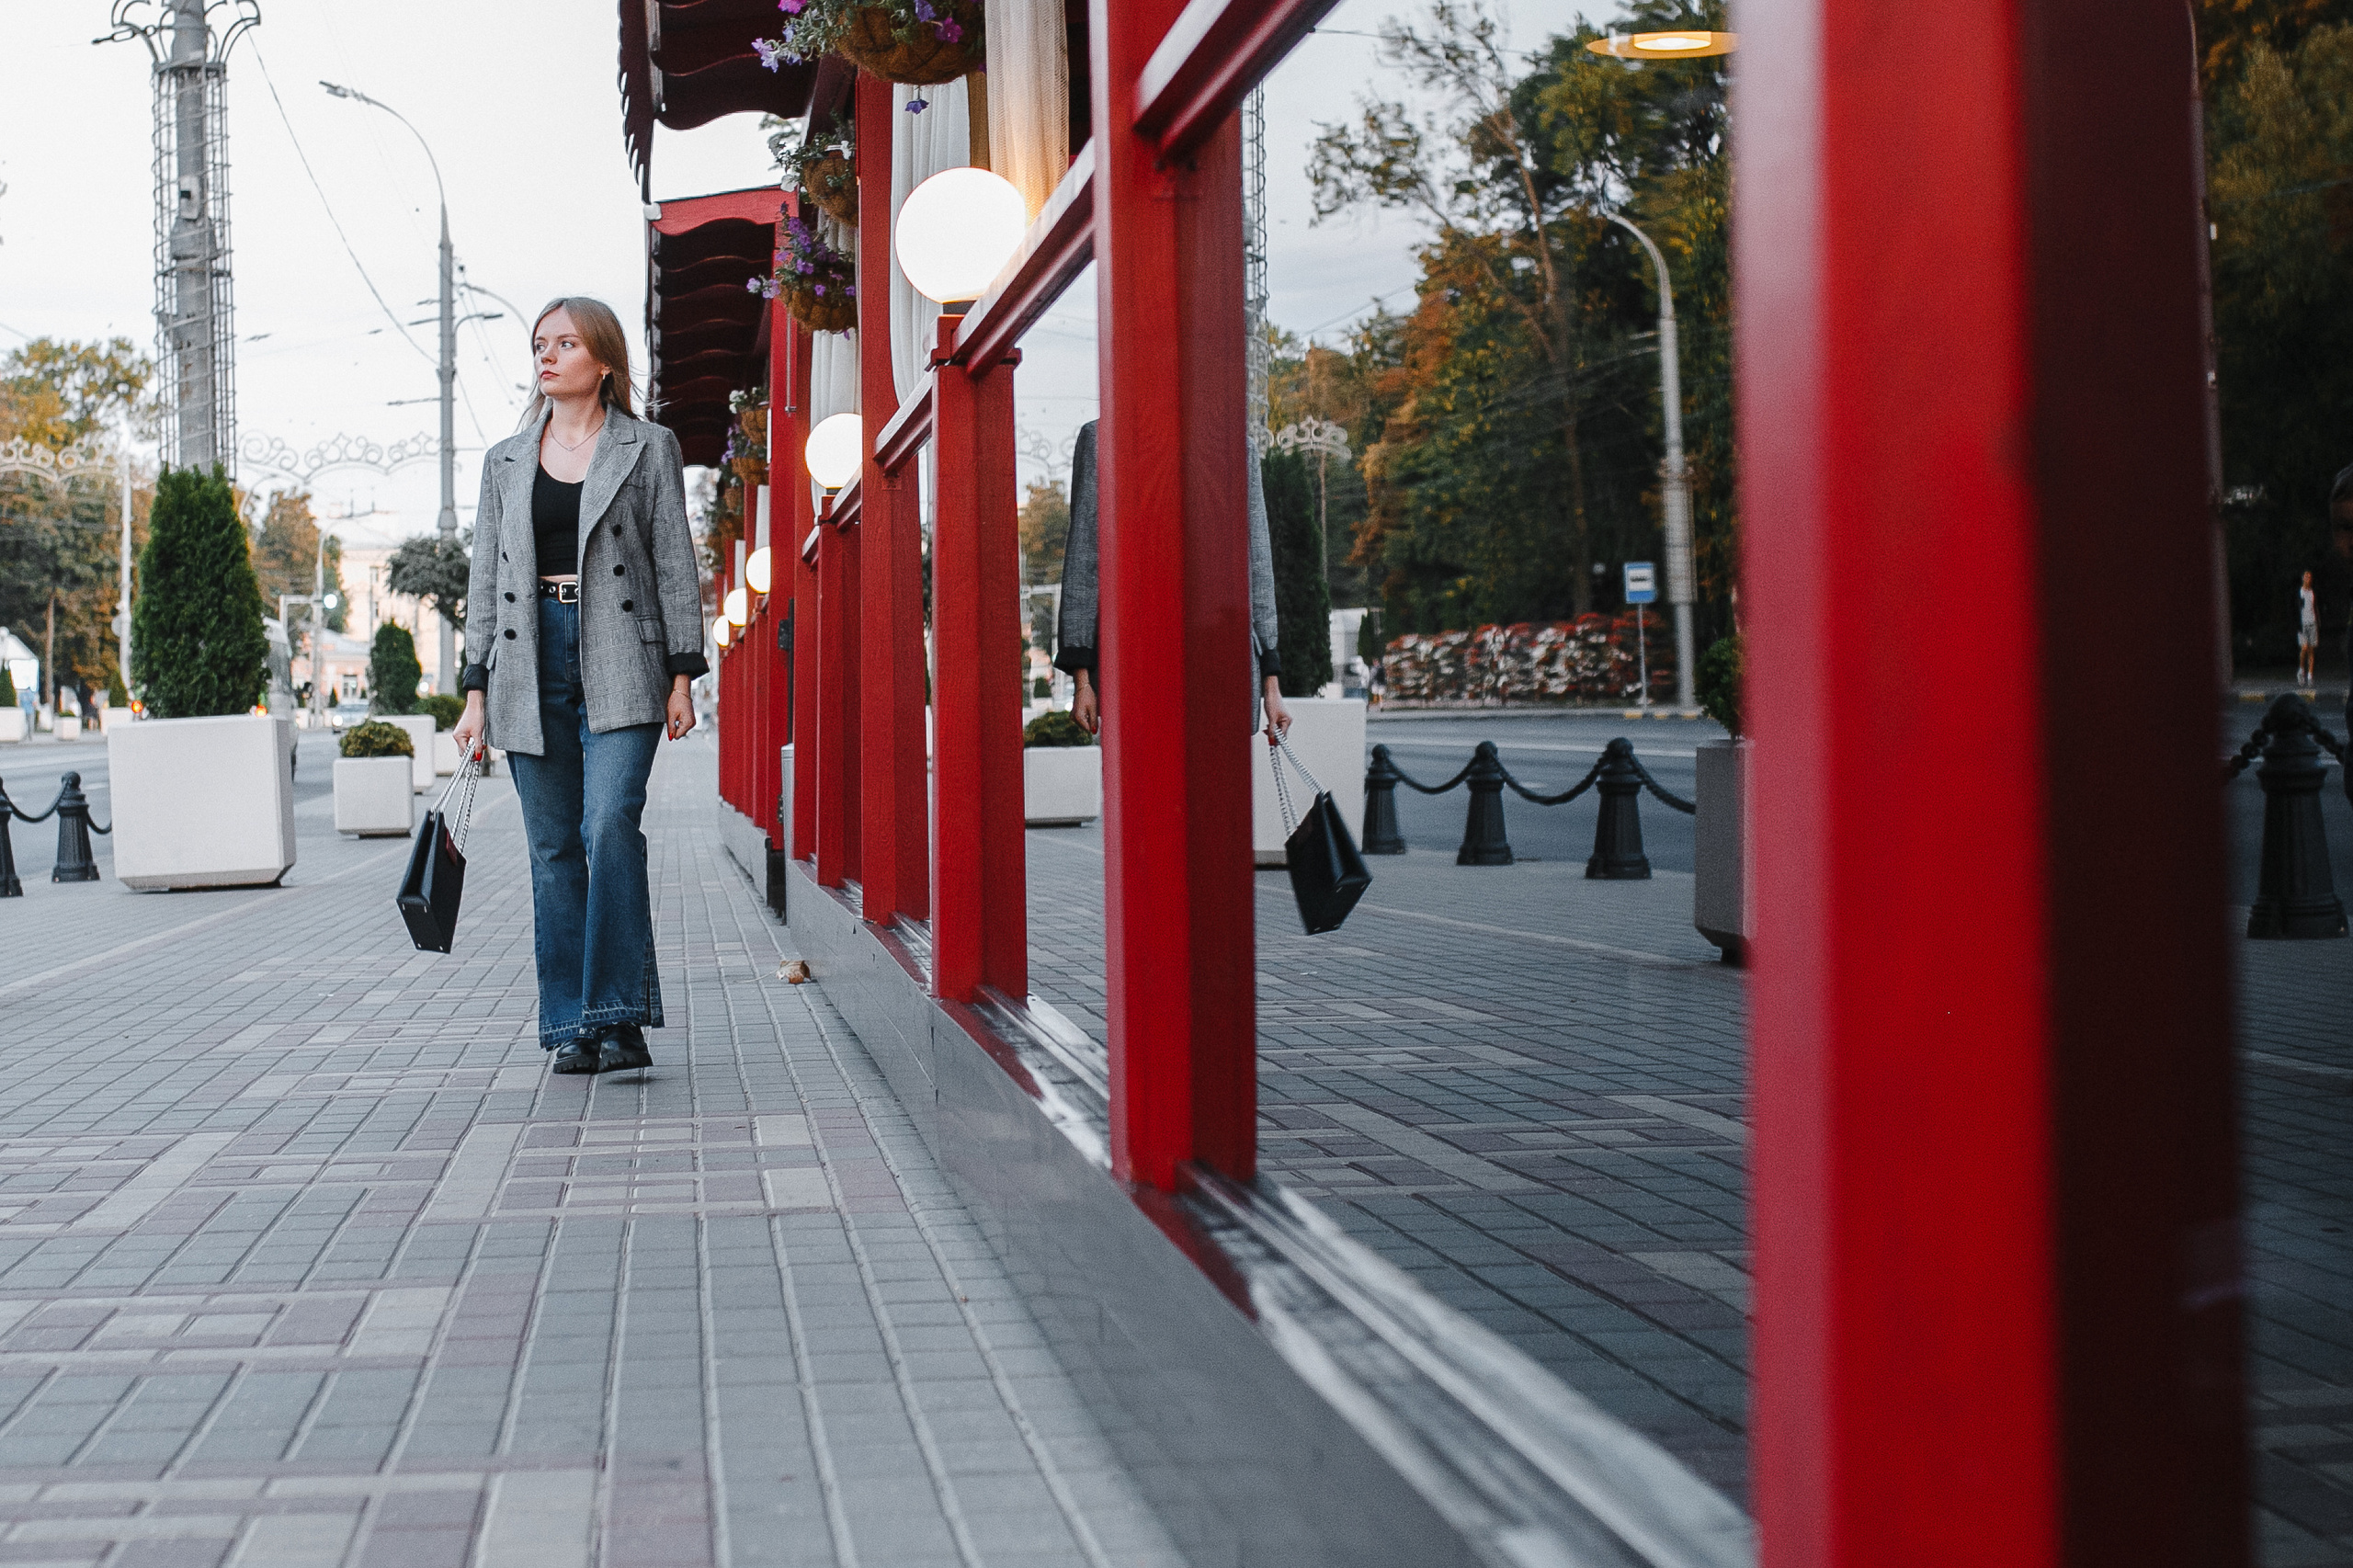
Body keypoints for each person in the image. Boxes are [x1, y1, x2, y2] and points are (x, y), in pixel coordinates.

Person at [450, 298, 708, 1077]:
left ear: (602, 359)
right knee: (554, 848)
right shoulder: (504, 459)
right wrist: (474, 690)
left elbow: (673, 559)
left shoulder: (647, 446)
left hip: (621, 656)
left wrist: (683, 674)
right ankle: (577, 1024)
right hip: (529, 663)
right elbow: (485, 578)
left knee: (608, 829)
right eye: (540, 344)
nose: (548, 355)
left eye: (566, 342)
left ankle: (618, 1014)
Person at [1053, 420, 1291, 742]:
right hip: (1138, 665)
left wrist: (1271, 687)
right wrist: (1082, 683)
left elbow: (1258, 564)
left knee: (1216, 788)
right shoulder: (1102, 439)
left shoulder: (1237, 448)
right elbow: (1084, 559)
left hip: (1221, 665)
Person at [2297, 569, 2320, 689]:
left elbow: (2315, 607)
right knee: (2304, 648)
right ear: (2303, 578)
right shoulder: (2300, 592)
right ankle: (2301, 671)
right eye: (2306, 576)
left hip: (2312, 623)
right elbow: (2297, 608)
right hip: (2302, 624)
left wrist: (2317, 621)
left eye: (2310, 577)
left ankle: (2310, 675)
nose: (2308, 579)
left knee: (2311, 650)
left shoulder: (2312, 592)